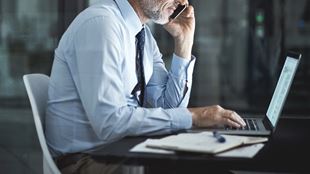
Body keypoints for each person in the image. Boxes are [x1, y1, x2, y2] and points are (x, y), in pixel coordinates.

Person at [46, 0, 246, 173]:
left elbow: (169, 108)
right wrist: (195, 116)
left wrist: (183, 42)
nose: (183, 3)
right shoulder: (101, 25)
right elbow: (109, 122)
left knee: (208, 165)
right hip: (87, 161)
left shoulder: (143, 36)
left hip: (121, 150)